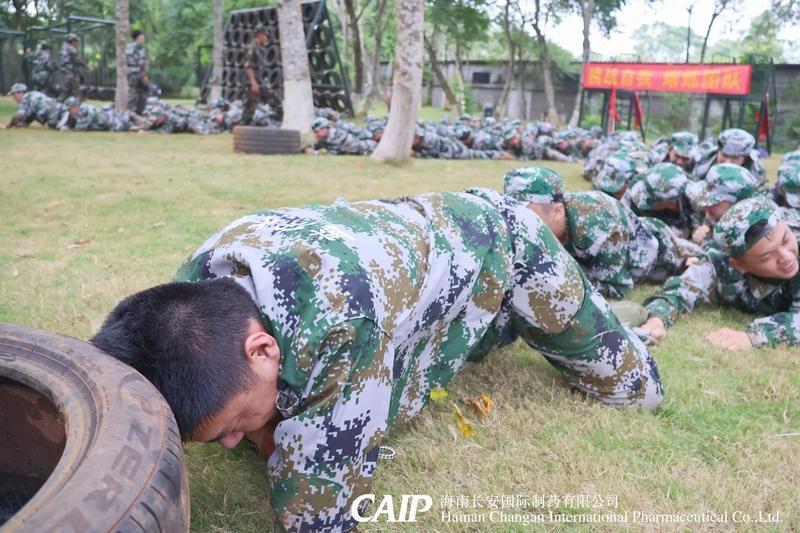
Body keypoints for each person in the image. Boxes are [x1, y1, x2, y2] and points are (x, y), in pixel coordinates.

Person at [92, 188, 663, 531]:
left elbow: (320, 512)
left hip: (508, 243)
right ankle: (512, 320)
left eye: (233, 425)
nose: (232, 444)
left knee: (637, 391)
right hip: (420, 279)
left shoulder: (341, 324)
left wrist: (284, 441)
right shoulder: (195, 286)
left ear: (263, 349)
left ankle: (606, 317)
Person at [505, 167, 701, 298]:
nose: (516, 222)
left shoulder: (600, 227)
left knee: (697, 260)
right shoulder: (525, 223)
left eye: (526, 214)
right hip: (628, 233)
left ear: (557, 211)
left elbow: (618, 287)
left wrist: (565, 274)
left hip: (657, 250)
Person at [640, 196, 800, 349]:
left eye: (786, 240)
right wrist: (657, 318)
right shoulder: (722, 262)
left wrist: (753, 336)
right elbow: (680, 290)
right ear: (739, 264)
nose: (787, 257)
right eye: (767, 257)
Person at [686, 163, 763, 244]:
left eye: (713, 202)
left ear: (737, 205)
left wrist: (704, 243)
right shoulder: (719, 217)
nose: (706, 207)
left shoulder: (751, 236)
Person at [693, 128, 765, 185]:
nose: (727, 162)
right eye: (724, 155)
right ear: (718, 151)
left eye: (735, 158)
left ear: (745, 158)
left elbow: (760, 193)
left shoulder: (755, 170)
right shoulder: (705, 160)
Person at [242, 24, 278, 125]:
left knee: (274, 99)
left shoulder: (259, 48)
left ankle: (283, 119)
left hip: (259, 82)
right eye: (266, 35)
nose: (267, 38)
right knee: (249, 110)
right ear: (260, 35)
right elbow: (248, 66)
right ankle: (241, 128)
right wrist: (253, 83)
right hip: (253, 83)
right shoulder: (251, 47)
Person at [125, 30, 149, 114]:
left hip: (130, 72)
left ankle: (133, 111)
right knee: (138, 91)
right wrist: (144, 75)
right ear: (138, 38)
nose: (143, 38)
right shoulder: (139, 47)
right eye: (142, 37)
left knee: (134, 91)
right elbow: (141, 62)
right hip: (136, 72)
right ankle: (135, 111)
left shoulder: (128, 46)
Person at [59, 33, 86, 100]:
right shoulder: (70, 48)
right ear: (72, 40)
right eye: (76, 41)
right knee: (75, 91)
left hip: (65, 72)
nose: (77, 43)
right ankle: (75, 103)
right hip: (71, 72)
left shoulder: (63, 48)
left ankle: (61, 102)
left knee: (65, 90)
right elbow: (76, 60)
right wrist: (86, 66)